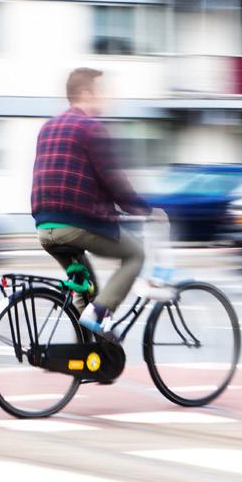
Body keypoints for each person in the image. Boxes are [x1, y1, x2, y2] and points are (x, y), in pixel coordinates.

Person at [31, 67, 151, 336]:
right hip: (76, 224)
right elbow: (113, 180)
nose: (106, 98)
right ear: (86, 93)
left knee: (86, 289)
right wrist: (144, 209)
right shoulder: (91, 128)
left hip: (44, 226)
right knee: (136, 253)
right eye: (101, 92)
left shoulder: (47, 128)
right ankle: (101, 312)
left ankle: (85, 356)